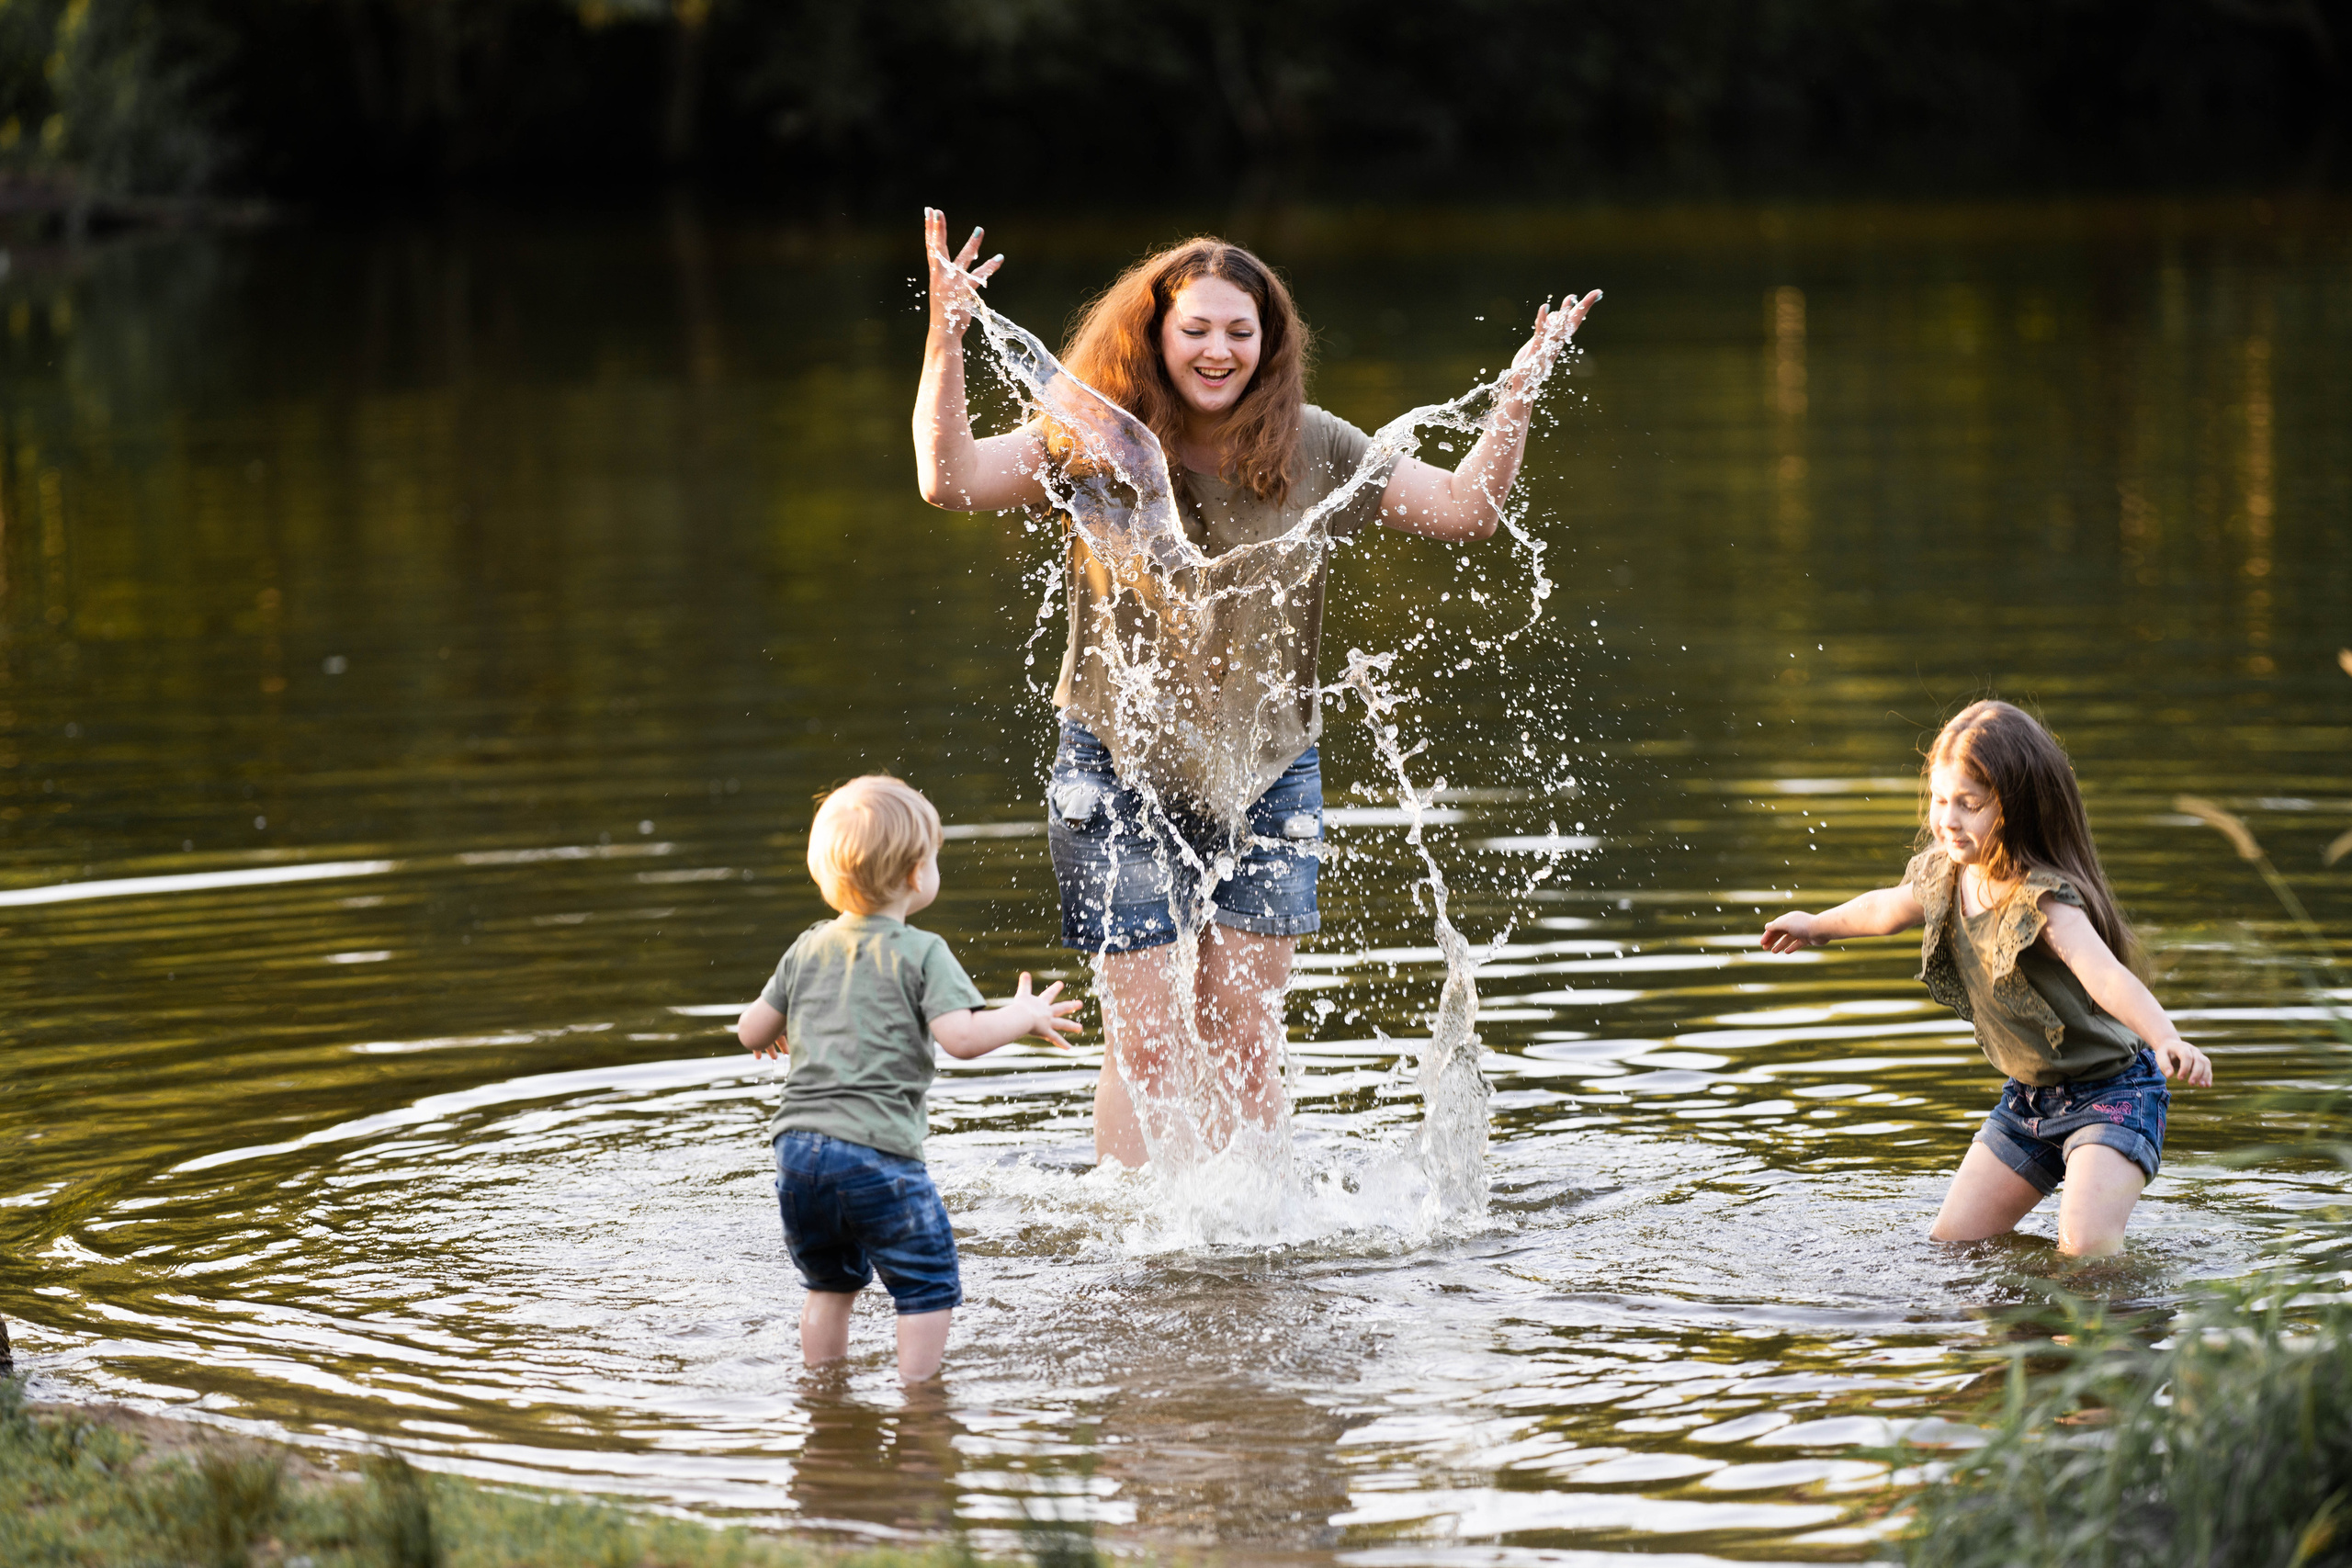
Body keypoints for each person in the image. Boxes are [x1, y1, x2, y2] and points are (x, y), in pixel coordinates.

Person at [912, 208, 1599, 1168]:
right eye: (1195, 328)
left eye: (1240, 330)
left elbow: (1465, 511)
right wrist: (945, 338)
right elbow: (950, 481)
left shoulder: (1312, 447)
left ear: (1269, 343)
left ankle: (1256, 1242)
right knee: (1146, 1038)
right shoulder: (1091, 441)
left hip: (1271, 770)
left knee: (1242, 1026)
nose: (1218, 349)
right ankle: (1143, 1241)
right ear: (1155, 336)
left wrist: (1517, 392)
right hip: (1114, 764)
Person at [1758, 701, 2212, 1258]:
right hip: (2027, 1104)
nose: (1948, 819)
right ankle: (2023, 1332)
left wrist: (2166, 1037)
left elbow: (2108, 979)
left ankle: (2125, 1329)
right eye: (1940, 800)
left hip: (2112, 1095)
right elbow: (1883, 909)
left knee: (2086, 1247)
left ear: (2016, 809)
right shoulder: (1944, 877)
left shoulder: (2043, 901)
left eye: (1969, 805)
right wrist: (1820, 926)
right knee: (1955, 1244)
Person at [736, 774, 1081, 1382]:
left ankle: (824, 1396)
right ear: (917, 874)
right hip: (877, 1154)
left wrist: (777, 1029)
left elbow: (748, 1030)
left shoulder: (807, 947)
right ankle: (921, 1401)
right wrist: (1022, 1016)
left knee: (827, 1285)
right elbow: (963, 1039)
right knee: (926, 1282)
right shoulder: (923, 951)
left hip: (797, 1154)